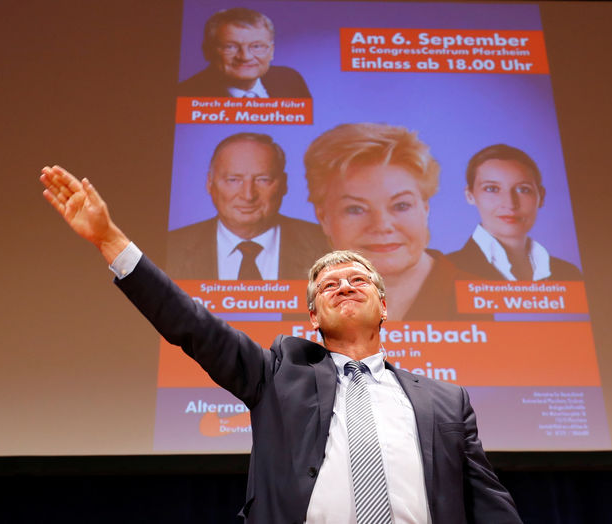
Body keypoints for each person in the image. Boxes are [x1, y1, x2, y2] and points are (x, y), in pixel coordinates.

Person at [39, 165, 523, 523]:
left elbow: (489, 502)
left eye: (358, 280)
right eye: (328, 286)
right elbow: (193, 325)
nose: (344, 287)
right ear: (312, 316)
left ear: (384, 306)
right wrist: (109, 240)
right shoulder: (278, 373)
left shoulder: (445, 400)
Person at [304, 123, 478, 320]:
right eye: (355, 209)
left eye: (401, 206)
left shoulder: (477, 296)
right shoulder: (305, 302)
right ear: (323, 217)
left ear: (425, 209)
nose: (382, 226)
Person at [167, 132, 328, 280]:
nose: (248, 195)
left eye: (263, 179)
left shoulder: (326, 244)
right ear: (210, 183)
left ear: (284, 184)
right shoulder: (172, 248)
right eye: (233, 180)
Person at [447, 144, 582, 281]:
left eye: (523, 190)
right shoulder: (445, 272)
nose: (510, 204)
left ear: (541, 197)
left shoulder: (568, 274)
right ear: (470, 196)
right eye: (492, 189)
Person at [178, 7, 311, 98]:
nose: (245, 57)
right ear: (207, 51)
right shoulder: (185, 93)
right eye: (230, 47)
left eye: (257, 46)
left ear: (271, 51)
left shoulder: (290, 80)